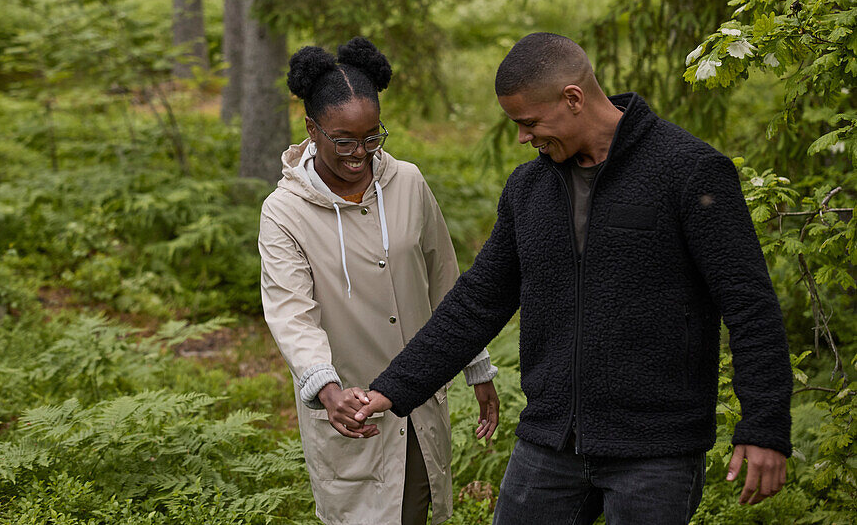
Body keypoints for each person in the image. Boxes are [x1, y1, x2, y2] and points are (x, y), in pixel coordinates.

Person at [354, 32, 792, 524]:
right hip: (549, 443)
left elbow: (750, 306)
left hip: (655, 451)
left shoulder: (688, 172)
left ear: (574, 98)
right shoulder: (529, 188)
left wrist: (763, 426)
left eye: (529, 122)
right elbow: (478, 301)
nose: (523, 137)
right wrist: (392, 389)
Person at [259, 37, 501, 525]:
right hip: (350, 411)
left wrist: (476, 366)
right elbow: (291, 314)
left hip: (417, 400)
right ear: (311, 128)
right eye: (343, 141)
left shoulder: (408, 182)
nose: (360, 154)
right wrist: (326, 388)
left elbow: (446, 281)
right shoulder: (284, 212)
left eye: (372, 137)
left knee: (416, 508)